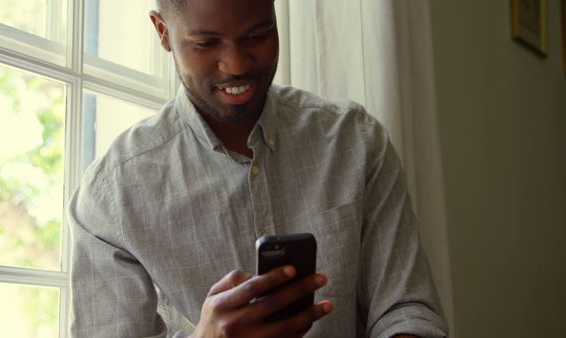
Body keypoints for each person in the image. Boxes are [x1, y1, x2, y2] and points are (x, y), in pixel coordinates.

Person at [69, 0, 449, 337]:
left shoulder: (357, 141)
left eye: (258, 34)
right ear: (163, 32)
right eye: (206, 43)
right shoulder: (111, 196)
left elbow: (406, 310)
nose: (236, 65)